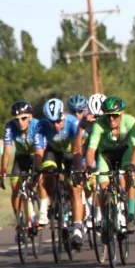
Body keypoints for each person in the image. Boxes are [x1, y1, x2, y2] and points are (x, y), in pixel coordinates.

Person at [85, 96, 135, 235]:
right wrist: (89, 166)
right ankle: (106, 221)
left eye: (114, 116)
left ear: (122, 113)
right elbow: (91, 149)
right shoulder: (98, 125)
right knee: (104, 188)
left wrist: (132, 165)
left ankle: (130, 214)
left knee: (130, 176)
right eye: (108, 116)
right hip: (106, 155)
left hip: (124, 153)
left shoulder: (130, 122)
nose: (111, 119)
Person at [34, 98, 84, 247]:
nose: (55, 125)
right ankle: (55, 199)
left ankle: (77, 228)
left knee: (74, 188)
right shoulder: (41, 125)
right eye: (51, 122)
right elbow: (38, 152)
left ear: (63, 115)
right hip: (53, 152)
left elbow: (78, 150)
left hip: (71, 153)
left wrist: (78, 171)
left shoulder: (73, 122)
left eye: (58, 121)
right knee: (47, 172)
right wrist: (38, 172)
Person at [1, 101, 40, 242]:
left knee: (40, 182)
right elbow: (6, 151)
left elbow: (39, 151)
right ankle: (20, 222)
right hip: (21, 157)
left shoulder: (37, 125)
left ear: (30, 117)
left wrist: (37, 172)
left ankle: (41, 215)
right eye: (16, 119)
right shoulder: (10, 127)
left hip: (36, 156)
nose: (20, 122)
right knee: (15, 187)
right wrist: (3, 170)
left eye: (23, 118)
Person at [72, 93, 104, 229]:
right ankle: (93, 209)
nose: (96, 119)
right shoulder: (85, 122)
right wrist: (82, 126)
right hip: (90, 151)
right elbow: (77, 147)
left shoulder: (111, 120)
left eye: (100, 116)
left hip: (105, 150)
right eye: (94, 115)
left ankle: (119, 208)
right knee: (89, 175)